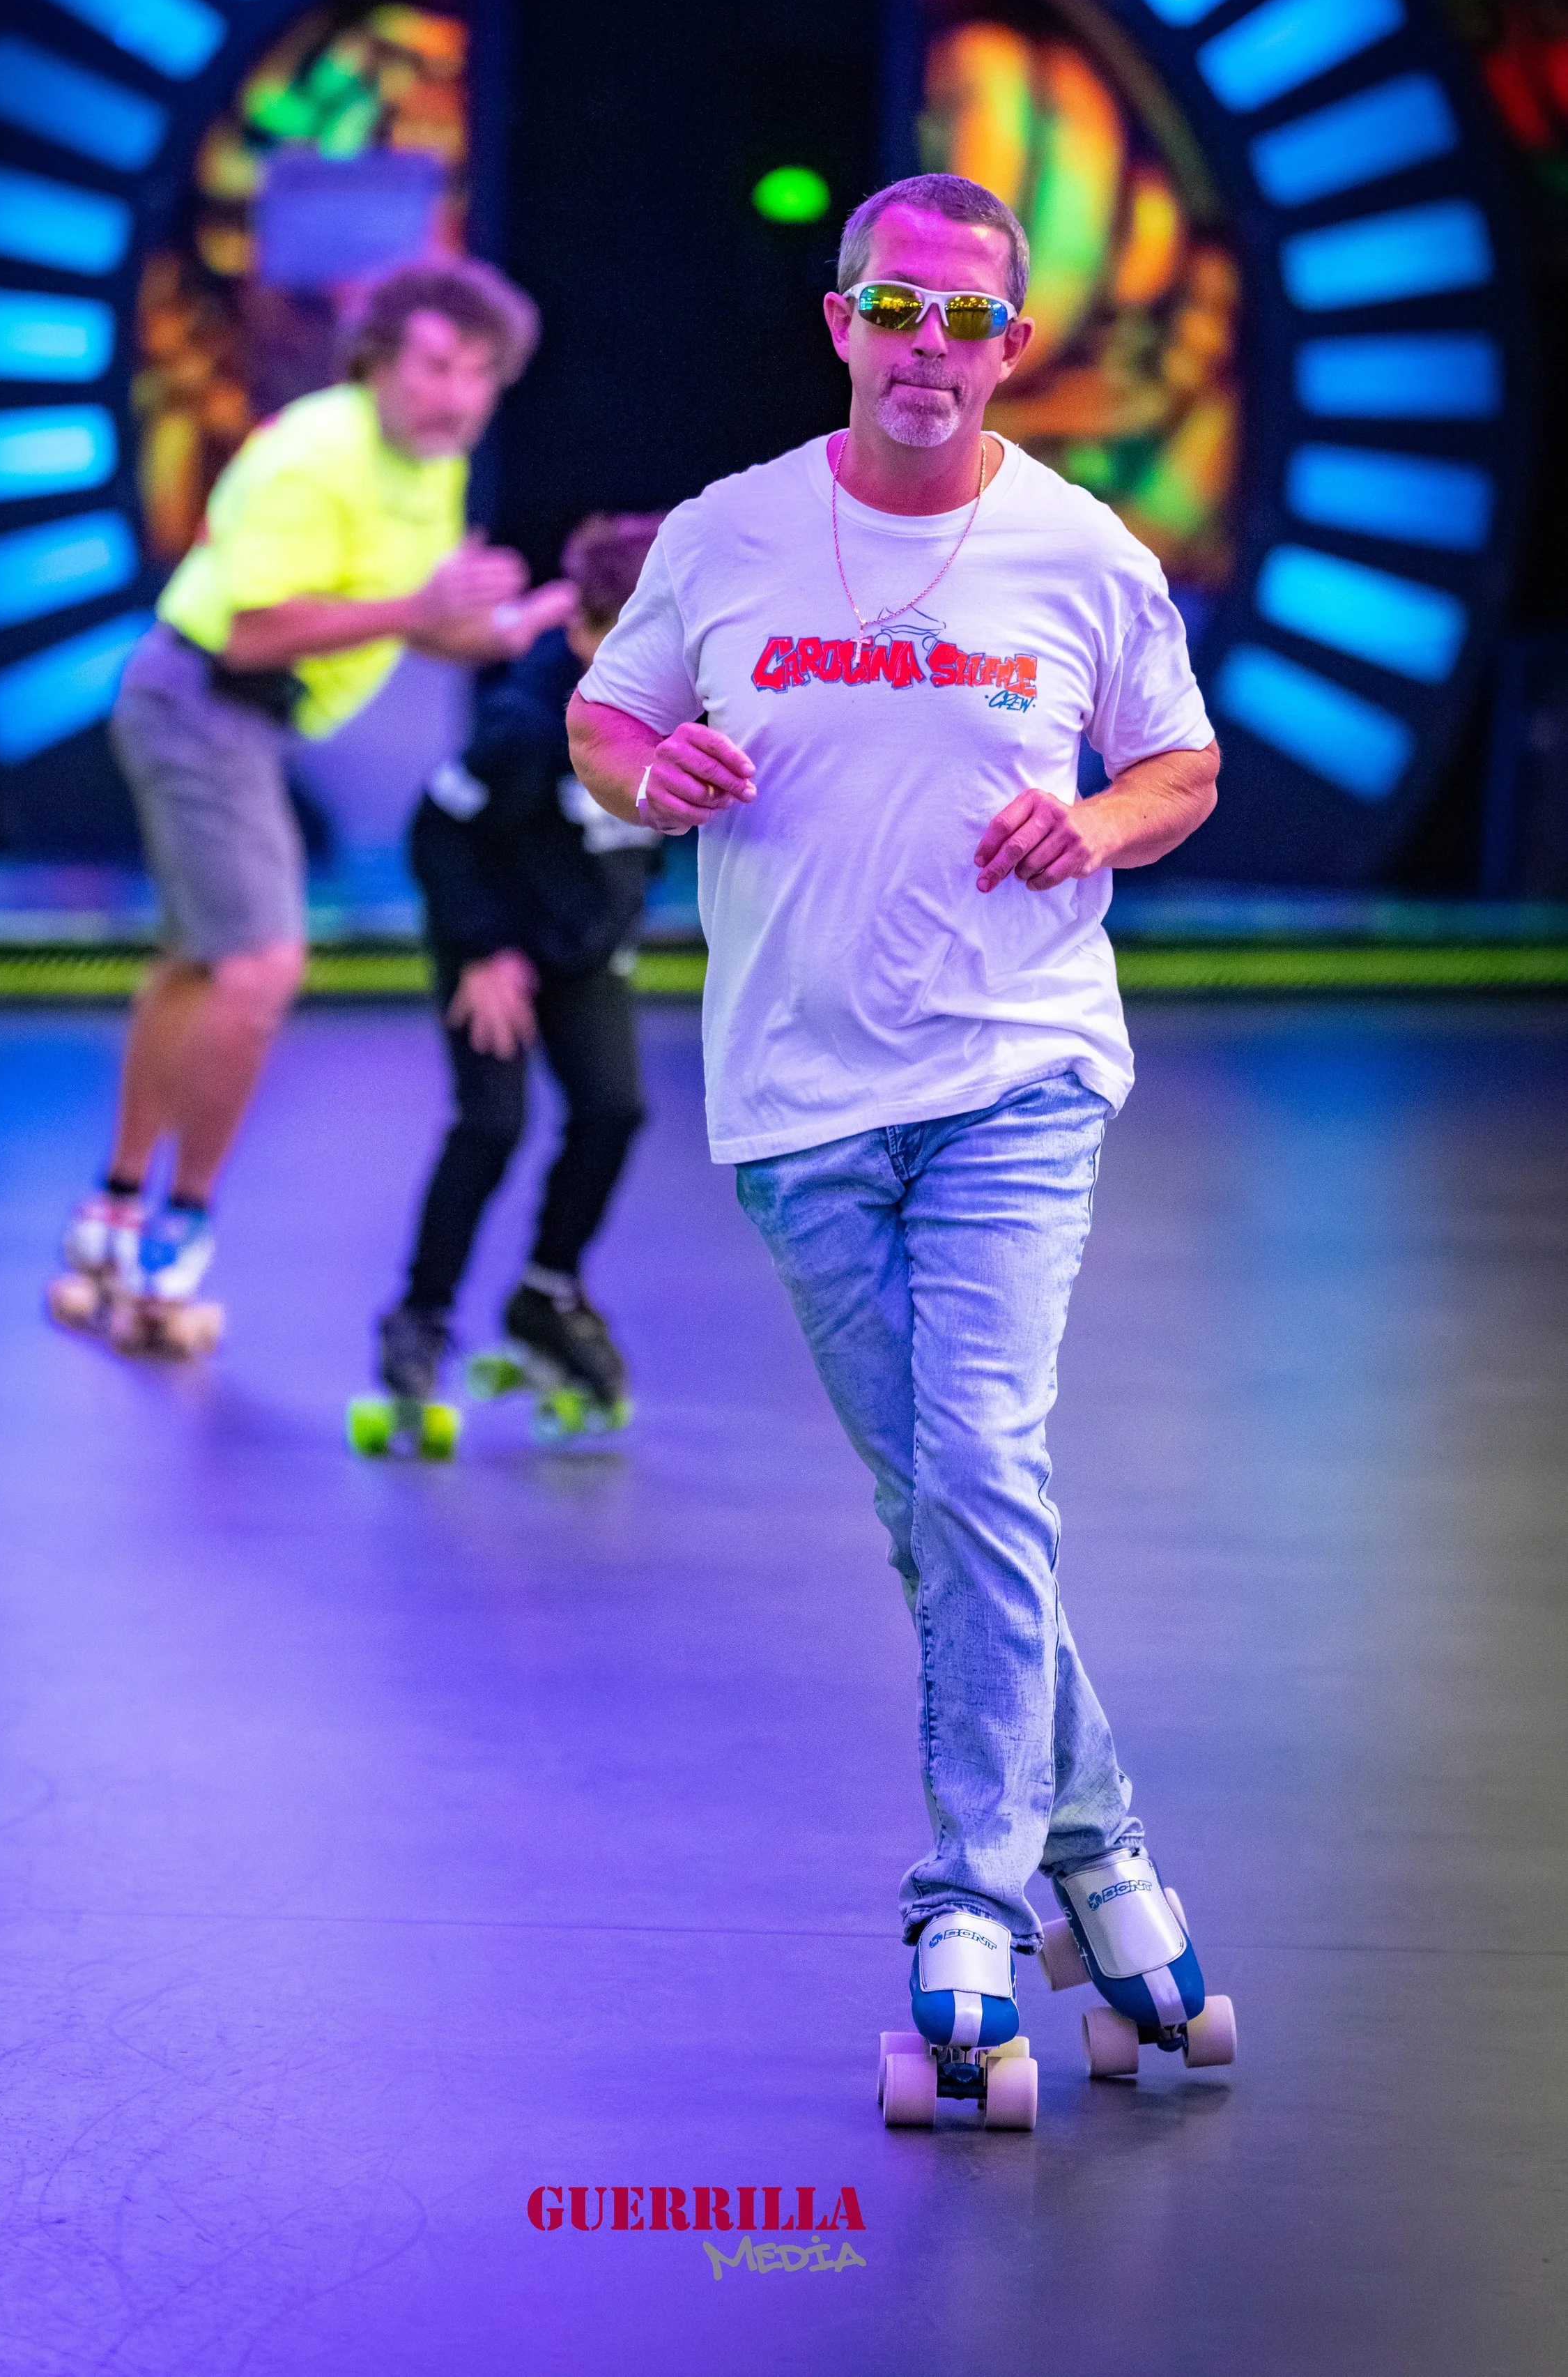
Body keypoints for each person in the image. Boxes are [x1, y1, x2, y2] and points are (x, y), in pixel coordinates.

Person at [567, 171, 1236, 2104]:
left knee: (977, 1454)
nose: (927, 347)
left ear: (1009, 344)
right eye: (894, 308)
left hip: (1016, 1065)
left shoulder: (1082, 551)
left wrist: (1094, 828)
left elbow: (1179, 764)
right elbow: (606, 731)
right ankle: (1099, 1851)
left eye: (965, 319)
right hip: (795, 1096)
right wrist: (651, 763)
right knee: (932, 1501)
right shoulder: (727, 533)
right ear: (839, 321)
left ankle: (967, 1895)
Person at [55, 261, 574, 1331]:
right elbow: (251, 626)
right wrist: (413, 604)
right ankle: (175, 1233)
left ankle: (110, 1209)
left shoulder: (430, 457)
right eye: (435, 367)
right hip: (200, 700)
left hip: (241, 717)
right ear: (377, 361)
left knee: (201, 960)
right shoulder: (314, 457)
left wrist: (511, 627)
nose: (458, 395)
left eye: (481, 374)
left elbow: (420, 616)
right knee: (260, 965)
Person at [374, 512, 663, 1423]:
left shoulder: (668, 705)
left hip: (585, 947)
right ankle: (420, 1314)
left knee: (613, 1111)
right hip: (494, 945)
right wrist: (481, 950)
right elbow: (437, 830)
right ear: (586, 625)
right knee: (493, 1123)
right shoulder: (525, 726)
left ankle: (547, 1291)